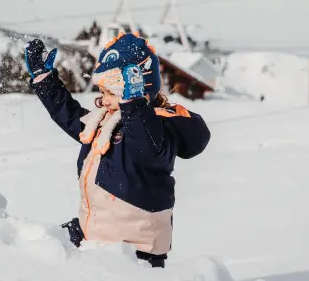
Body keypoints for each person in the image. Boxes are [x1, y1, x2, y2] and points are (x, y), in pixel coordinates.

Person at [24, 33, 211, 268]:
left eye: (110, 93)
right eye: (102, 92)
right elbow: (71, 117)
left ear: (137, 90)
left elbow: (147, 149)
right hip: (97, 232)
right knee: (36, 251)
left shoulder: (159, 127)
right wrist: (45, 80)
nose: (103, 101)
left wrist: (134, 106)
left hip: (135, 248)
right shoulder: (107, 121)